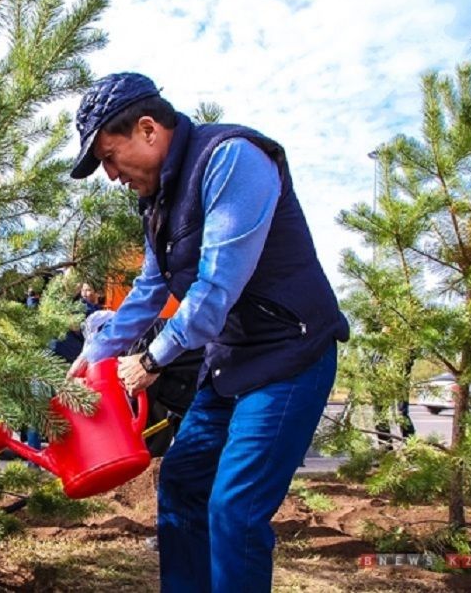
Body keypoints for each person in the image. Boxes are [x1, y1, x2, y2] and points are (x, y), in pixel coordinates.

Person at [66, 73, 349, 592]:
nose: (110, 175)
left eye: (109, 156)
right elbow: (150, 287)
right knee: (181, 482)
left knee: (235, 508)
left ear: (148, 130)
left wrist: (151, 359)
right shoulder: (158, 202)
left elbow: (216, 286)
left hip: (290, 356)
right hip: (230, 362)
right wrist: (94, 353)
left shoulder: (233, 159)